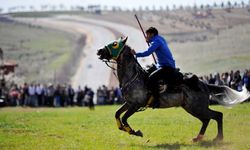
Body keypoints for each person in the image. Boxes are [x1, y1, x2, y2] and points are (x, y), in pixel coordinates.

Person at [131, 27, 176, 108]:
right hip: (161, 65)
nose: (146, 36)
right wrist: (149, 41)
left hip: (166, 66)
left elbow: (148, 53)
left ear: (152, 34)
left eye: (147, 35)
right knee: (145, 72)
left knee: (151, 78)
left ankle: (156, 100)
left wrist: (135, 54)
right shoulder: (160, 38)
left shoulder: (156, 41)